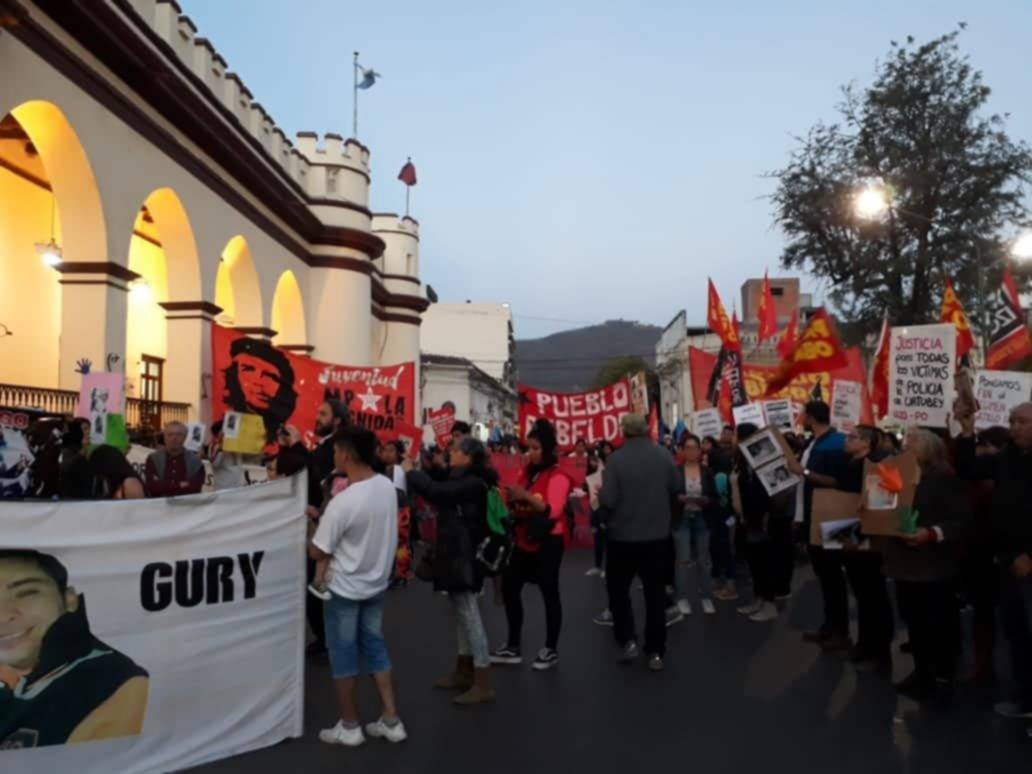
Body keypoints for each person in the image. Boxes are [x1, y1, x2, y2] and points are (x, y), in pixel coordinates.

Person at [309, 427, 406, 746]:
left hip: (344, 589)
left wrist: (312, 522)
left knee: (343, 656)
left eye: (336, 451)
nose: (333, 456)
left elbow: (318, 551)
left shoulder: (343, 502)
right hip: (375, 583)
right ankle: (391, 719)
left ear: (347, 455)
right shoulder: (386, 487)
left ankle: (350, 725)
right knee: (375, 647)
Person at [0, 549, 149, 748]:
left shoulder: (114, 683)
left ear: (69, 599)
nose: (3, 615)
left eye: (26, 593)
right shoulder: (22, 677)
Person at [407, 436, 498, 704]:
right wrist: (429, 467)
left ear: (468, 457)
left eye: (456, 450)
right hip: (459, 554)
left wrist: (413, 473)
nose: (451, 453)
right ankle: (464, 671)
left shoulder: (470, 483)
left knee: (469, 614)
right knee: (462, 613)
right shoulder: (467, 478)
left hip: (464, 556)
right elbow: (442, 482)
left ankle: (483, 680)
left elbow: (438, 492)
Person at [955, 403, 1032, 718]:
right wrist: (967, 431)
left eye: (1022, 421)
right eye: (1011, 421)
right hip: (1008, 559)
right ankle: (1025, 698)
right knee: (1017, 631)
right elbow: (968, 469)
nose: (1014, 427)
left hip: (1028, 560)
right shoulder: (1008, 458)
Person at [883, 428, 969, 703]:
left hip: (934, 567)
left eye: (914, 441)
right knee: (914, 624)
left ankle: (942, 678)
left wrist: (930, 533)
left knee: (937, 625)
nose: (906, 445)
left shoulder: (945, 478)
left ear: (932, 447)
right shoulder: (898, 473)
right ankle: (922, 673)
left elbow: (961, 522)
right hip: (905, 565)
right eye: (906, 441)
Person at [599, 413, 682, 672]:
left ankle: (628, 640)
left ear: (624, 431)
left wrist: (600, 494)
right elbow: (677, 488)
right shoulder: (664, 455)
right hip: (657, 537)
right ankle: (656, 650)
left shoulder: (616, 460)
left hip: (622, 538)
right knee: (655, 595)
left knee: (619, 592)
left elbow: (609, 500)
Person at [491, 419, 571, 672]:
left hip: (548, 541)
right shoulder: (526, 472)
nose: (531, 452)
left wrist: (524, 497)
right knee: (510, 589)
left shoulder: (558, 475)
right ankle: (513, 645)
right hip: (523, 538)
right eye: (529, 448)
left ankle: (551, 648)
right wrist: (510, 498)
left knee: (549, 594)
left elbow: (553, 511)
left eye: (536, 448)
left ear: (547, 448)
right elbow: (517, 497)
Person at [785, 401, 849, 652]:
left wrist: (805, 471)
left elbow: (839, 482)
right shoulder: (815, 442)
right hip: (812, 516)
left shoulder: (835, 444)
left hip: (833, 517)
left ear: (811, 417)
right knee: (825, 577)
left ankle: (841, 632)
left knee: (834, 577)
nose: (800, 418)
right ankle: (829, 626)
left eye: (803, 414)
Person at [834, 425, 895, 674]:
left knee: (874, 596)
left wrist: (856, 535)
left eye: (852, 437)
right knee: (861, 594)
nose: (847, 440)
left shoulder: (878, 465)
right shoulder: (849, 464)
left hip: (868, 539)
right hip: (848, 535)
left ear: (866, 442)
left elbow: (882, 505)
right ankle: (864, 644)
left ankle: (881, 653)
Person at [304, 400, 350, 656]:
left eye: (323, 413)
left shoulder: (335, 448)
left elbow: (320, 476)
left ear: (337, 421)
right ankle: (327, 640)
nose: (317, 417)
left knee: (318, 590)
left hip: (328, 528)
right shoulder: (325, 446)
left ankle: (331, 643)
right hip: (319, 524)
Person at [733, 424, 780, 623]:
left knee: (763, 562)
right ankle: (759, 599)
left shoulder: (760, 457)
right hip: (747, 518)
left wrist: (762, 516)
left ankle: (769, 604)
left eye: (736, 435)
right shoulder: (742, 459)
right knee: (754, 562)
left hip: (760, 518)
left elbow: (766, 490)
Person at [221, 336, 298, 442]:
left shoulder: (285, 436)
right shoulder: (223, 424)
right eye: (248, 370)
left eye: (270, 376)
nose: (258, 382)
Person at [674, 435, 717, 616]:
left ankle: (706, 596)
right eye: (688, 448)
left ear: (700, 451)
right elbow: (669, 494)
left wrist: (706, 500)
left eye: (695, 448)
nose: (692, 451)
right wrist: (678, 498)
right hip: (682, 518)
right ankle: (682, 597)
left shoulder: (707, 472)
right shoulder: (676, 471)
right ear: (682, 450)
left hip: (702, 518)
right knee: (683, 559)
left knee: (704, 560)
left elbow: (715, 497)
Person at [143, 421, 204, 498]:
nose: (174, 438)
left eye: (179, 434)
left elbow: (195, 488)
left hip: (187, 506)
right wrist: (180, 485)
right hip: (159, 506)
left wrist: (164, 485)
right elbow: (152, 487)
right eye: (170, 434)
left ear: (185, 437)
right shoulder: (154, 458)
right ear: (164, 437)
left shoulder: (194, 461)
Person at [585, 455, 606, 577]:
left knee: (606, 539)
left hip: (603, 509)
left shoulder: (605, 474)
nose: (592, 463)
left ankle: (607, 568)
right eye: (591, 461)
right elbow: (589, 491)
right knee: (597, 539)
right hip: (594, 508)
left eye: (595, 460)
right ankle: (597, 566)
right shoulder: (588, 475)